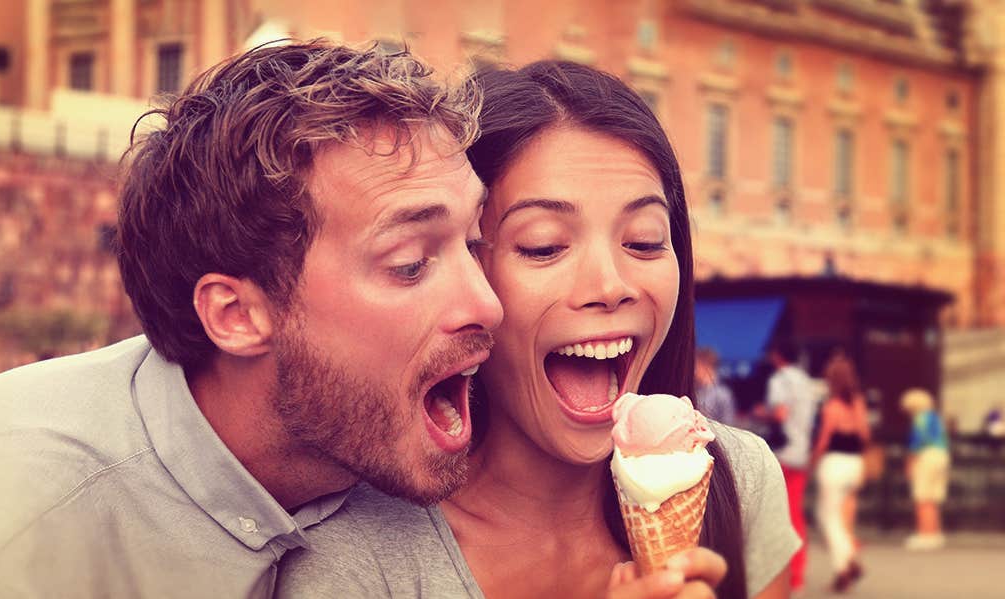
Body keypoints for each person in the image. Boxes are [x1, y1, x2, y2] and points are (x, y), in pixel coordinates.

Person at [0, 41, 504, 598]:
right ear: (237, 314)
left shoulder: (381, 450)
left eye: (474, 242)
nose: (485, 303)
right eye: (411, 262)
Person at [277, 61, 798, 599]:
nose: (610, 284)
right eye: (543, 245)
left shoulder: (741, 480)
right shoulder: (351, 561)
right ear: (467, 271)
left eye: (643, 240)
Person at [759, 340, 819, 593]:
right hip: (801, 451)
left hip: (781, 452)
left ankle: (778, 577)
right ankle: (797, 574)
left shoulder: (780, 380)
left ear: (777, 355)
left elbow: (780, 414)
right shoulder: (807, 382)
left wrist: (761, 412)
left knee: (774, 515)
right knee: (795, 512)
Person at [809, 354, 871, 592]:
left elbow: (824, 441)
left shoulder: (832, 407)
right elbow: (865, 435)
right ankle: (849, 559)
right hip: (855, 463)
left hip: (834, 464)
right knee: (838, 516)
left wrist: (812, 461)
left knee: (827, 516)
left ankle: (842, 566)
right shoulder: (858, 402)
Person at [901, 388, 951, 551]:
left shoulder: (920, 418)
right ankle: (935, 533)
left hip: (927, 457)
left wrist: (909, 463)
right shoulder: (936, 418)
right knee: (934, 497)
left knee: (922, 496)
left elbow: (917, 442)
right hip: (942, 456)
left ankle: (925, 534)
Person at [696, 347, 737, 426]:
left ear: (705, 366)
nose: (694, 370)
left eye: (696, 365)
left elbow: (728, 424)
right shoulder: (696, 390)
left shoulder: (723, 394)